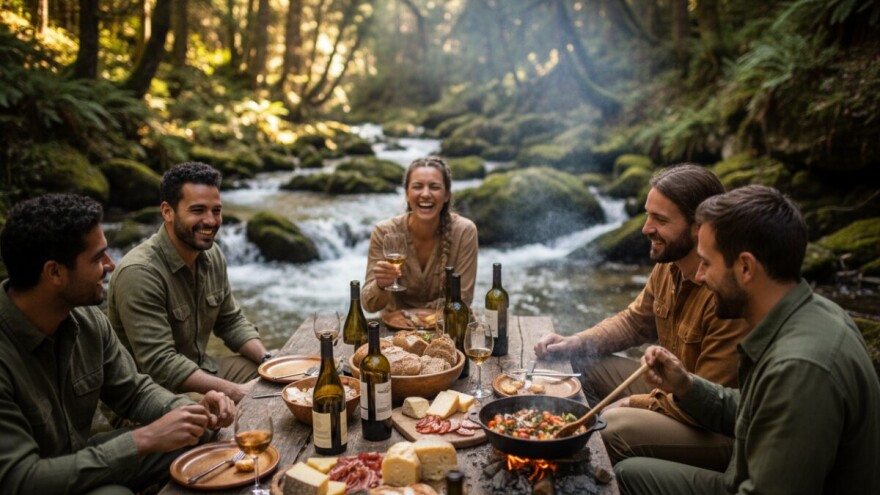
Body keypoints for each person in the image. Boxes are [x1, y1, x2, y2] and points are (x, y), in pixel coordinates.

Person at [616, 185, 880, 494]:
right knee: (628, 474)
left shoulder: (801, 369)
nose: (699, 275)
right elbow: (753, 409)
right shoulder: (808, 312)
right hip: (738, 476)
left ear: (745, 268)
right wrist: (687, 386)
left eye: (707, 263)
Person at [0, 193, 235, 494]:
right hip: (32, 481)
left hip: (80, 458)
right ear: (54, 273)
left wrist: (190, 411)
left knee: (201, 436)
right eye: (98, 257)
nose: (110, 265)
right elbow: (20, 479)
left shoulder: (87, 320)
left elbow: (134, 392)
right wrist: (142, 440)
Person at [535, 164, 749, 471]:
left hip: (712, 426)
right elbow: (635, 322)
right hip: (669, 389)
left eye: (660, 219)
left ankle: (619, 472)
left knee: (612, 425)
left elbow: (708, 403)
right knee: (577, 363)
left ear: (698, 227)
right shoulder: (670, 262)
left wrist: (636, 403)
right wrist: (575, 342)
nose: (645, 228)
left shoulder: (726, 291)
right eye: (648, 215)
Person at [108, 162, 270, 403]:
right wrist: (235, 391)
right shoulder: (140, 273)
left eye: (216, 210)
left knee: (280, 380)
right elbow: (160, 363)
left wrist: (268, 361)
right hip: (150, 395)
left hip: (202, 370)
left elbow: (230, 321)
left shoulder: (212, 254)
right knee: (230, 411)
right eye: (197, 210)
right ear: (167, 212)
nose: (211, 221)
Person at [362, 156, 478, 312]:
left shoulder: (464, 231)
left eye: (434, 187)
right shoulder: (384, 232)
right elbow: (369, 306)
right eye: (417, 186)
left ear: (446, 195)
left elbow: (463, 299)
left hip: (446, 329)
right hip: (393, 333)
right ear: (406, 194)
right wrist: (380, 285)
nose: (425, 194)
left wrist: (421, 316)